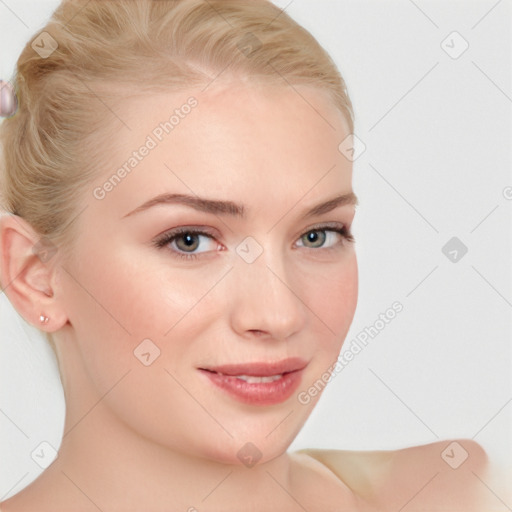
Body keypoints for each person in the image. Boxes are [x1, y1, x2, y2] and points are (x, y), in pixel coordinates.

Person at [0, 0, 495, 510]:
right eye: (189, 240)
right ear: (35, 274)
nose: (278, 315)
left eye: (318, 235)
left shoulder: (467, 493)